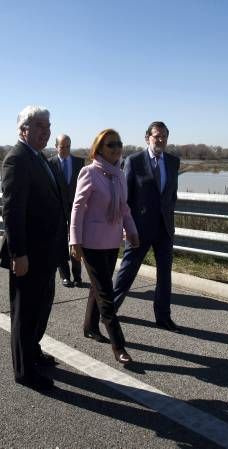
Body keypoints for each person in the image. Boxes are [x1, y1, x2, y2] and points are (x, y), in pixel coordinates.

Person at [0, 106, 68, 390]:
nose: (46, 131)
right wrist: (18, 254)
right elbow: (12, 211)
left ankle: (33, 350)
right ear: (23, 129)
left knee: (41, 308)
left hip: (47, 252)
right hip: (28, 254)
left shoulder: (41, 159)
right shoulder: (17, 159)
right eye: (39, 125)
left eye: (48, 125)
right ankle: (24, 371)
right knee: (25, 313)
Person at [70, 129, 139, 364]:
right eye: (111, 145)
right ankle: (118, 345)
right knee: (106, 294)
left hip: (112, 241)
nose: (117, 148)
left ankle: (89, 326)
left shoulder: (119, 174)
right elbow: (77, 208)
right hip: (91, 242)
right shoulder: (89, 172)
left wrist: (131, 230)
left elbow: (124, 207)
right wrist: (74, 240)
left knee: (99, 288)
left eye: (119, 143)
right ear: (99, 149)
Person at [113, 121, 181, 332]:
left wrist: (169, 218)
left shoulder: (173, 161)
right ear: (147, 138)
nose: (160, 140)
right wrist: (127, 225)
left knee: (165, 275)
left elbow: (171, 195)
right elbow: (125, 198)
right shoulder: (134, 161)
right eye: (156, 136)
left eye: (163, 137)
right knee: (127, 272)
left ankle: (163, 317)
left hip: (164, 229)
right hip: (139, 229)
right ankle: (107, 311)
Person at [48, 134, 85, 288]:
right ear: (56, 146)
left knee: (76, 240)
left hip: (76, 207)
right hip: (57, 209)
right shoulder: (50, 163)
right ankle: (65, 275)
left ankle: (77, 276)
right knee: (60, 241)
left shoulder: (79, 162)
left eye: (68, 146)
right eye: (62, 147)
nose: (65, 150)